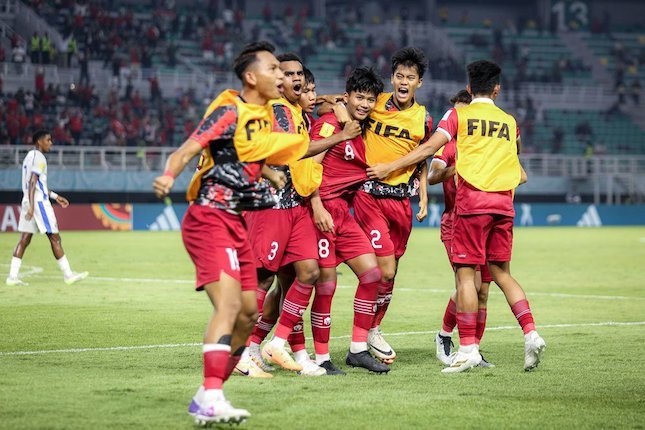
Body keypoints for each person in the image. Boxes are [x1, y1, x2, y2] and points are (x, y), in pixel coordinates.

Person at [152, 41, 308, 425]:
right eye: (274, 69)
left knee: (250, 312)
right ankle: (213, 397)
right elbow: (187, 149)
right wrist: (168, 175)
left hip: (235, 220)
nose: (282, 76)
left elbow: (253, 156)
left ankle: (207, 395)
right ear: (252, 77)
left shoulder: (268, 115)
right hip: (208, 217)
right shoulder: (228, 109)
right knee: (230, 307)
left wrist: (269, 173)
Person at [366, 60, 546, 373]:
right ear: (497, 89)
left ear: (468, 87)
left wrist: (390, 167)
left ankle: (467, 350)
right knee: (499, 276)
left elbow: (427, 150)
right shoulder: (510, 121)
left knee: (468, 279)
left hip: (472, 205)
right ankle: (530, 333)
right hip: (503, 206)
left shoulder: (458, 115)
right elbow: (517, 166)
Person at [240, 53, 360, 377]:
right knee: (265, 277)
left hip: (294, 206)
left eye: (300, 76)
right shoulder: (279, 111)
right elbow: (291, 151)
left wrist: (326, 99)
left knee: (307, 273)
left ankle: (279, 343)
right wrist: (340, 136)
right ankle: (243, 349)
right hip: (271, 205)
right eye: (288, 74)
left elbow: (315, 103)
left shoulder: (295, 111)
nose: (296, 80)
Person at [350, 47, 430, 364]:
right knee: (383, 267)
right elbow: (348, 99)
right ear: (392, 78)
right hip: (368, 195)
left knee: (391, 272)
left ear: (419, 83)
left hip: (400, 202)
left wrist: (423, 198)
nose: (403, 82)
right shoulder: (375, 102)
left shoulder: (423, 119)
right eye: (399, 76)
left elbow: (424, 159)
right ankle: (361, 339)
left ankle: (373, 330)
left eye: (410, 77)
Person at [308, 66, 390, 373]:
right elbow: (309, 166)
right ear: (348, 96)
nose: (365, 104)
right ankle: (321, 358)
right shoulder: (329, 125)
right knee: (325, 286)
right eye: (359, 97)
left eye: (370, 99)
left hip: (344, 214)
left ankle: (357, 349)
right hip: (322, 213)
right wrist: (317, 206)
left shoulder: (363, 129)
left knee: (372, 275)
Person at [428, 90, 494, 367]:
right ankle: (445, 335)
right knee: (471, 283)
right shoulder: (449, 147)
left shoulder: (488, 146)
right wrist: (458, 169)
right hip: (456, 222)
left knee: (484, 290)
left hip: (485, 220)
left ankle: (474, 350)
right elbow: (432, 176)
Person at [6, 129, 88, 287]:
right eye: (48, 140)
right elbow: (33, 183)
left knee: (24, 239)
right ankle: (68, 275)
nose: (51, 143)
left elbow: (37, 185)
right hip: (38, 204)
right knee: (55, 238)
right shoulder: (40, 157)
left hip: (28, 199)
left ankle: (12, 277)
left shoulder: (29, 157)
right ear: (39, 142)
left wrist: (56, 196)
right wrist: (32, 206)